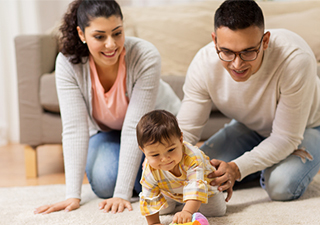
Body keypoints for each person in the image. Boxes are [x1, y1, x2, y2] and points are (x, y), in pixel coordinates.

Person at [34, 0, 181, 214]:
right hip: (107, 133)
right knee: (105, 181)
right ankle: (157, 185)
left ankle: (165, 182)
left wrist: (121, 194)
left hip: (155, 136)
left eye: (117, 33)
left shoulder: (145, 55)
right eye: (99, 36)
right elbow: (75, 128)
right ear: (82, 34)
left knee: (168, 167)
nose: (111, 44)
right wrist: (72, 196)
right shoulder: (67, 63)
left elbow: (134, 127)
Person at [177, 0, 320, 202]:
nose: (237, 64)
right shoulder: (203, 64)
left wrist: (237, 168)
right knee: (199, 173)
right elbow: (187, 130)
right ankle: (261, 163)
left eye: (248, 52)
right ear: (214, 40)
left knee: (281, 185)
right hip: (251, 128)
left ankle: (263, 168)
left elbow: (286, 137)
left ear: (265, 41)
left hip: (309, 127)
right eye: (226, 52)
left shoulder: (295, 59)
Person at [136, 110, 226, 225]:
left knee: (216, 211)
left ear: (180, 140)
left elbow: (196, 187)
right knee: (163, 210)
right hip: (171, 190)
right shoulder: (149, 168)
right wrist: (154, 223)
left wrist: (187, 211)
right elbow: (149, 198)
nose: (165, 159)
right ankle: (182, 202)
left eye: (171, 150)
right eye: (155, 155)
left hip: (205, 188)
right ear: (143, 151)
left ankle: (187, 204)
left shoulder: (193, 158)